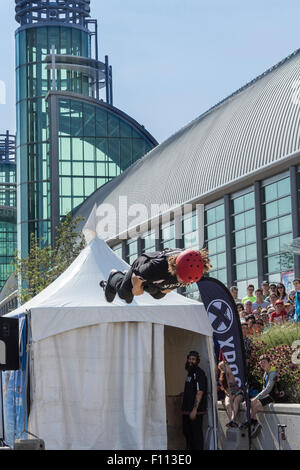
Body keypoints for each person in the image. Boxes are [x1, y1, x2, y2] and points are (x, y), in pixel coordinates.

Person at [101, 247, 212, 304]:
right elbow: (136, 282)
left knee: (158, 295)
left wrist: (167, 287)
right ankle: (115, 275)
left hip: (159, 279)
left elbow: (168, 288)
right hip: (142, 268)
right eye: (182, 281)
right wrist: (135, 288)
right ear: (175, 269)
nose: (184, 284)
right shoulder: (155, 267)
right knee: (125, 294)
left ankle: (126, 280)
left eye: (186, 282)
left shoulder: (194, 268)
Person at [243, 355, 281, 437]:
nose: (262, 364)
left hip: (273, 396)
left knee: (253, 403)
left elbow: (268, 389)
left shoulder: (273, 373)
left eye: (264, 362)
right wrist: (256, 398)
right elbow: (264, 389)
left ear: (269, 363)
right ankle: (254, 421)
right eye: (261, 363)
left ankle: (252, 422)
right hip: (267, 395)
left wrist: (257, 398)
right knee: (249, 403)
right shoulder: (266, 373)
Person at [181, 351, 207, 450]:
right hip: (186, 409)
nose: (190, 361)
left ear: (197, 361)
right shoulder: (190, 373)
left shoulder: (199, 373)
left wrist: (194, 409)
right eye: (189, 359)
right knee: (186, 431)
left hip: (195, 411)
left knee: (196, 434)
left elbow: (200, 391)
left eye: (193, 359)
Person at [218, 361, 244, 428]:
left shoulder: (236, 373)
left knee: (236, 401)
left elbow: (242, 387)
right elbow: (225, 389)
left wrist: (235, 395)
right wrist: (230, 395)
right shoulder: (224, 376)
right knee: (228, 404)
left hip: (239, 392)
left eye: (224, 366)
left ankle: (232, 420)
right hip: (229, 393)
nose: (223, 368)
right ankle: (232, 421)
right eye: (221, 368)